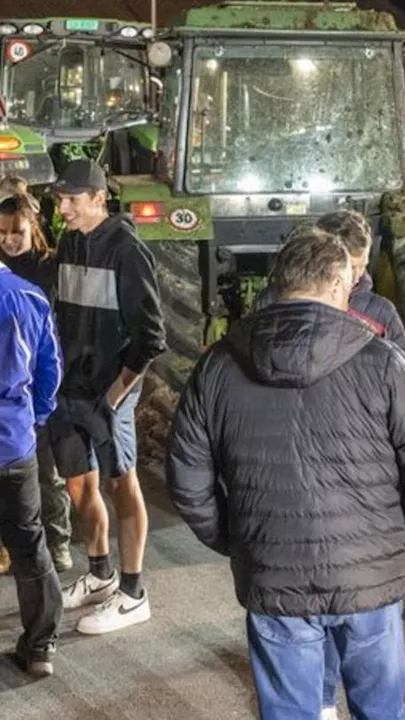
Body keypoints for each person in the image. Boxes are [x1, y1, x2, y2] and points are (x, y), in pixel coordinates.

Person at [166, 227, 405, 719]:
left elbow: (186, 476)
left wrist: (241, 539)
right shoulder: (382, 362)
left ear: (278, 284)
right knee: (382, 710)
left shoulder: (218, 366)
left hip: (275, 577)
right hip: (371, 576)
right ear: (340, 286)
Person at [47, 159, 165, 634]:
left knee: (123, 483)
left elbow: (151, 337)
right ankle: (100, 575)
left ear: (99, 199)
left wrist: (116, 395)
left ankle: (134, 594)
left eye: (72, 199)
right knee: (79, 484)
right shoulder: (70, 242)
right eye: (60, 198)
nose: (62, 207)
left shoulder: (128, 251)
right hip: (68, 389)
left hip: (108, 393)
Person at [0, 189, 73, 573]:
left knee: (47, 475)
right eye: (1, 232)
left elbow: (52, 344)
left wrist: (42, 406)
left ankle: (58, 542)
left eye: (17, 231)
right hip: (9, 395)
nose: (9, 239)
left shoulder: (49, 270)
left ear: (34, 231)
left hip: (36, 393)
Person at [0, 244, 64, 678]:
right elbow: (50, 370)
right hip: (13, 443)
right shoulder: (30, 296)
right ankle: (40, 645)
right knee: (28, 544)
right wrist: (35, 417)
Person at [256, 209, 405, 356]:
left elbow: (401, 370)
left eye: (362, 266)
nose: (355, 276)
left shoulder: (381, 313)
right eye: (349, 267)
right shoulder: (272, 301)